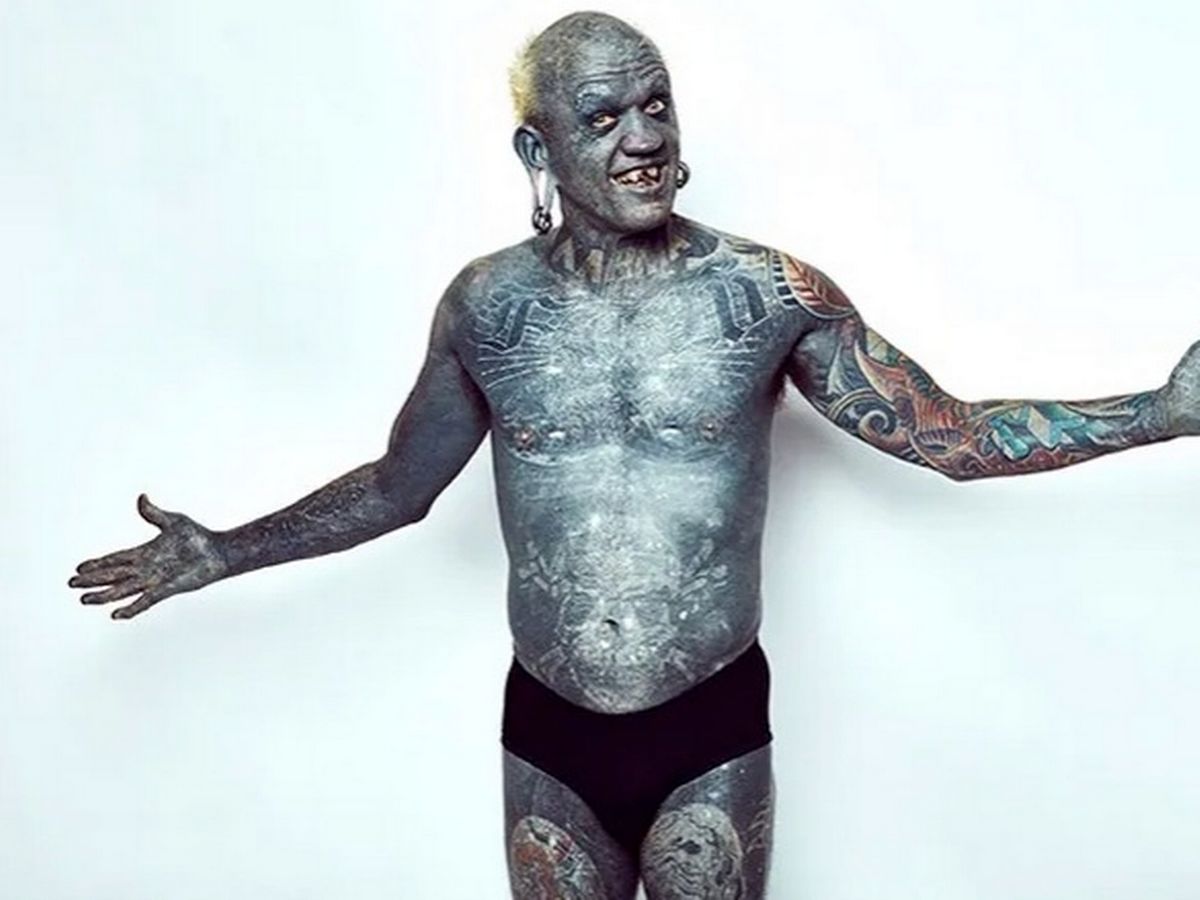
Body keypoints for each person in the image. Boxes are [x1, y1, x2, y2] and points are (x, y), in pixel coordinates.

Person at [68, 11, 1200, 899]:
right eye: (604, 117)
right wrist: (227, 550)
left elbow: (947, 436)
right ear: (539, 148)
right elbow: (399, 488)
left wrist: (1159, 412)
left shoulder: (768, 295)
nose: (645, 138)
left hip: (708, 725)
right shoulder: (486, 308)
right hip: (548, 732)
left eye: (657, 106)